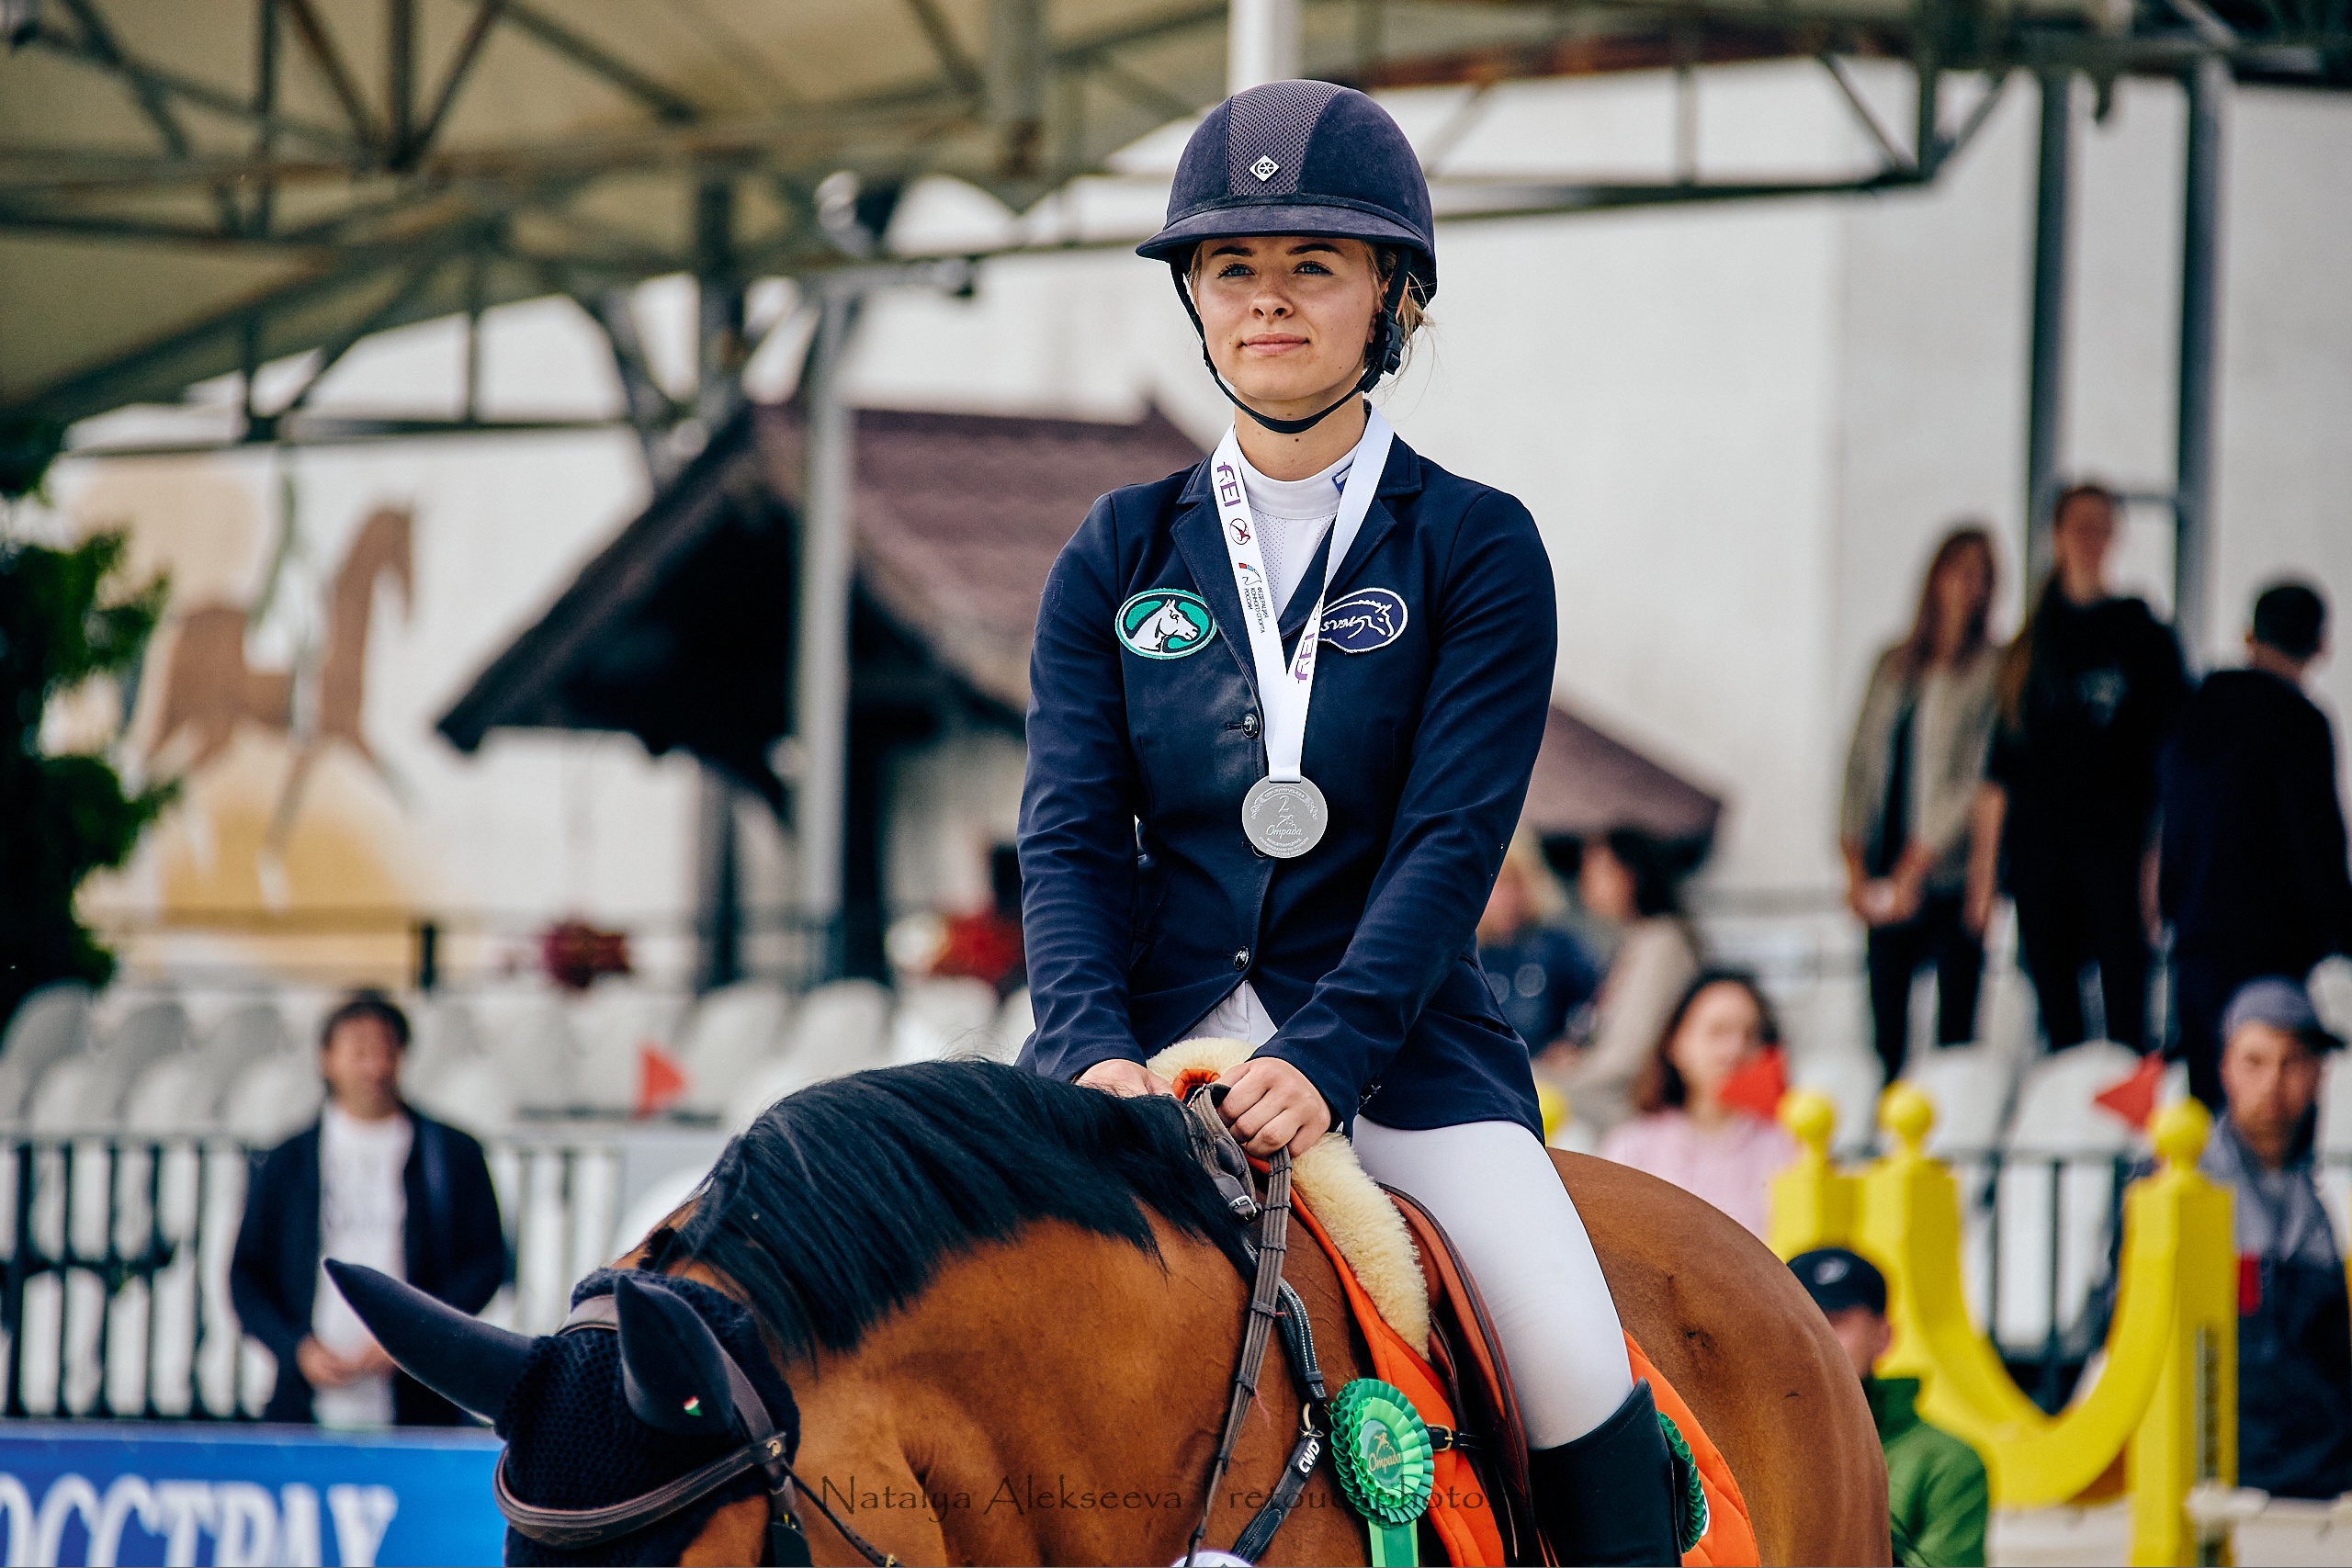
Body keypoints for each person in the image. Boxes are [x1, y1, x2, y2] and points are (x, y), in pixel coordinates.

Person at [1014, 80, 1683, 1562]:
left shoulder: (1477, 545)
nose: (1269, 302)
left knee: (1571, 1347)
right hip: (1137, 1045)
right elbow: (1066, 837)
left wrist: (1324, 1055)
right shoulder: (1117, 549)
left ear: (1392, 297)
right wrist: (1084, 1050)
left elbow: (1454, 841)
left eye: (1314, 265)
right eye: (1234, 268)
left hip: (1392, 1054)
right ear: (1194, 295)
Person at [1967, 483, 2188, 1053]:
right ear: (2056, 536)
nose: (2089, 540)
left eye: (2100, 526)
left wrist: (2156, 866)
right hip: (2041, 854)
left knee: (2126, 1015)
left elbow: (2170, 763)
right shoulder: (2030, 644)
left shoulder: (2142, 634)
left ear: (2114, 536)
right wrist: (1983, 881)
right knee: (2057, 1016)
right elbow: (1999, 774)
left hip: (2114, 849)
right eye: (2078, 526)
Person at [230, 992, 505, 1427]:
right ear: (327, 1059)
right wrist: (295, 1349)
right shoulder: (287, 1159)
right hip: (304, 1402)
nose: (374, 1067)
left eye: (386, 1049)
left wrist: (417, 1339)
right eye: (359, 1051)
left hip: (420, 1402)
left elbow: (486, 1262)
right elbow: (246, 1275)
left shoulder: (452, 1153)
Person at [2159, 581, 2352, 1110]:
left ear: (2249, 635)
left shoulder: (2193, 716)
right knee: (2271, 1111)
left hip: (2196, 945)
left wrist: (2171, 908)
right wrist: (2341, 927)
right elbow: (2313, 844)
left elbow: (2169, 832)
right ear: (2320, 646)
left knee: (2209, 1108)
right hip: (2269, 951)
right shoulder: (2299, 724)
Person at [1841, 527, 2002, 1084]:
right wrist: (1854, 862)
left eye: (1979, 575)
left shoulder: (1989, 670)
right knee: (1885, 1022)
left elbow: (1972, 778)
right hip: (1886, 862)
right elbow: (1860, 759)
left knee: (1954, 1025)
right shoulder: (1893, 664)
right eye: (1958, 570)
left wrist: (1920, 860)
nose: (1966, 586)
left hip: (1948, 874)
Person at [2201, 977, 2352, 1499]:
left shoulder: (2312, 1200)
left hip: (2316, 1467)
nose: (2274, 1083)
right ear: (2225, 1069)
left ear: (2318, 1075)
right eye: (2255, 1061)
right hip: (2231, 1467)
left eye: (2293, 1062)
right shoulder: (2185, 1188)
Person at [1789, 1247, 1988, 1567]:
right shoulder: (1743, 1449)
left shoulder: (1947, 1464)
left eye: (1836, 1321)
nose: (1817, 1338)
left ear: (1884, 1337)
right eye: (1802, 1320)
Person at [1598, 971, 1799, 1237]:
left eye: (1750, 1035)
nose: (1735, 1049)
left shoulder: (1787, 1147)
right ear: (1675, 1042)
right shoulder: (1631, 1148)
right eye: (1718, 1032)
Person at [1550, 827, 1704, 1132]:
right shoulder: (1638, 939)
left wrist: (1558, 1073)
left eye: (1598, 873)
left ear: (1633, 875)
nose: (1586, 886)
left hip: (1635, 1108)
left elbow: (1626, 1058)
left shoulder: (1662, 942)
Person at [1478, 829, 1600, 1055]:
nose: (1503, 897)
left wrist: (1573, 1044)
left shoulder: (1558, 947)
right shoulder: (1466, 956)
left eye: (1512, 883)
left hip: (1551, 1078)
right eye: (1495, 885)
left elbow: (1593, 1005)